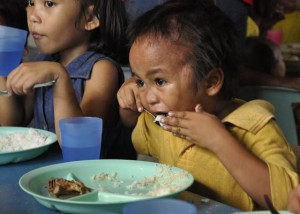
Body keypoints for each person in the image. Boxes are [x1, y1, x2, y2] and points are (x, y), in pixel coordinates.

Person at [117, 0, 298, 211]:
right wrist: (128, 101)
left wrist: (219, 140)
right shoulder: (167, 121)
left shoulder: (254, 125)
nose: (147, 96)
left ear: (211, 82)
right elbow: (132, 123)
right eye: (140, 81)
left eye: (159, 81)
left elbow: (286, 199)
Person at [0, 0, 136, 159]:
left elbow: (81, 145)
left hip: (94, 179)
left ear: (90, 18)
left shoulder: (102, 70)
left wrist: (60, 78)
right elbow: (13, 122)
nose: (33, 17)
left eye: (49, 4)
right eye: (31, 2)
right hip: (49, 174)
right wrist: (3, 70)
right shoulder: (44, 61)